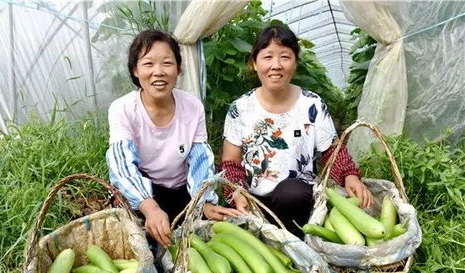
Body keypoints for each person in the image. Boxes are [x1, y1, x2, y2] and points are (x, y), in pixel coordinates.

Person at [221, 25, 373, 237]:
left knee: (291, 192)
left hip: (297, 200)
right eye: (267, 57)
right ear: (254, 63)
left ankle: (294, 238)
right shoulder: (240, 108)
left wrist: (349, 175)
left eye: (285, 57)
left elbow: (331, 151)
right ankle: (267, 236)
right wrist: (237, 193)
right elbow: (231, 164)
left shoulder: (312, 105)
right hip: (253, 202)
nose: (276, 65)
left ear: (295, 63)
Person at [106, 29, 242, 247]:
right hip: (146, 191)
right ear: (135, 70)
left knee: (205, 235)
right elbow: (122, 165)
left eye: (167, 63)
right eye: (148, 64)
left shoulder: (192, 106)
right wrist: (150, 208)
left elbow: (199, 158)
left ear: (179, 69)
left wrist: (203, 202)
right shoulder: (123, 109)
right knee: (141, 239)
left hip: (182, 189)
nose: (158, 72)